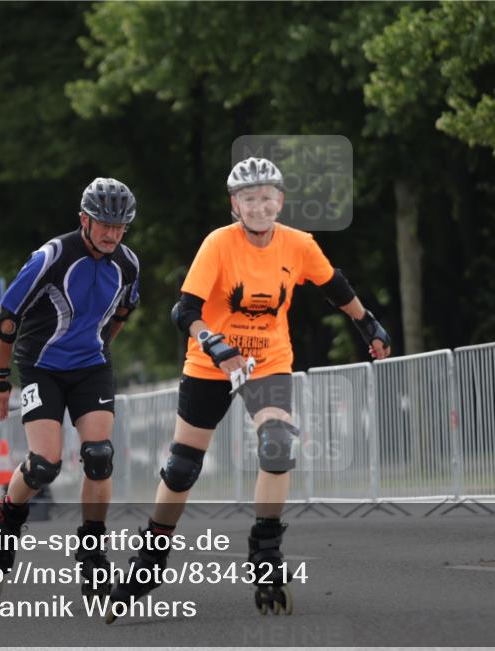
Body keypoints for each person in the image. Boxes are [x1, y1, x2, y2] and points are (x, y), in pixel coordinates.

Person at [106, 157, 391, 620]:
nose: (258, 206)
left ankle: (266, 553)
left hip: (268, 362)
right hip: (211, 363)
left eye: (266, 197)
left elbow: (334, 286)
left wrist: (368, 324)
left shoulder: (299, 244)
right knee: (182, 467)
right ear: (235, 205)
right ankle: (151, 558)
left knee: (278, 445)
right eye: (248, 199)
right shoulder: (219, 244)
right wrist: (213, 341)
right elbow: (185, 310)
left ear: (279, 201)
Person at [0, 177, 140, 600]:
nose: (111, 234)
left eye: (120, 226)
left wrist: (98, 347)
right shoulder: (52, 256)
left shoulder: (128, 263)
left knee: (99, 456)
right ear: (84, 220)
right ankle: (7, 518)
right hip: (42, 367)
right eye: (104, 224)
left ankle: (92, 551)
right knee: (44, 465)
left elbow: (121, 314)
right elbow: (5, 319)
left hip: (92, 367)